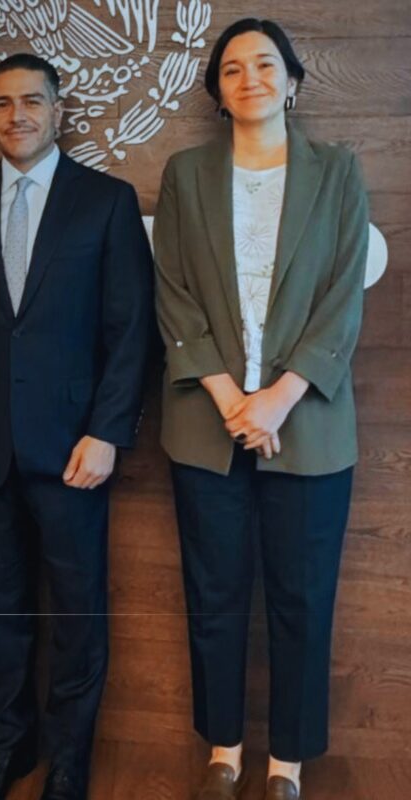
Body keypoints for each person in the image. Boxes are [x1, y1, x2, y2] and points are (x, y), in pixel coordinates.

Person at [0, 52, 152, 800]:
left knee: (78, 615)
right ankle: (11, 745)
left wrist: (107, 432)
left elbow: (131, 330)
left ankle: (71, 758)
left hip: (76, 448)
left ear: (58, 110)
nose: (16, 115)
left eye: (31, 101)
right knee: (2, 612)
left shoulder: (106, 201)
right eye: (1, 103)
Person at [153, 18, 369, 800]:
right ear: (218, 91)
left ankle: (287, 763)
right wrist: (230, 398)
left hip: (307, 425)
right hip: (205, 425)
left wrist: (277, 399)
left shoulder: (337, 172)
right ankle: (224, 749)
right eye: (234, 68)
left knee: (301, 600)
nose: (252, 79)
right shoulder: (186, 174)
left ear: (294, 82)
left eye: (267, 64)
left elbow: (342, 299)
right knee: (214, 597)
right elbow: (173, 294)